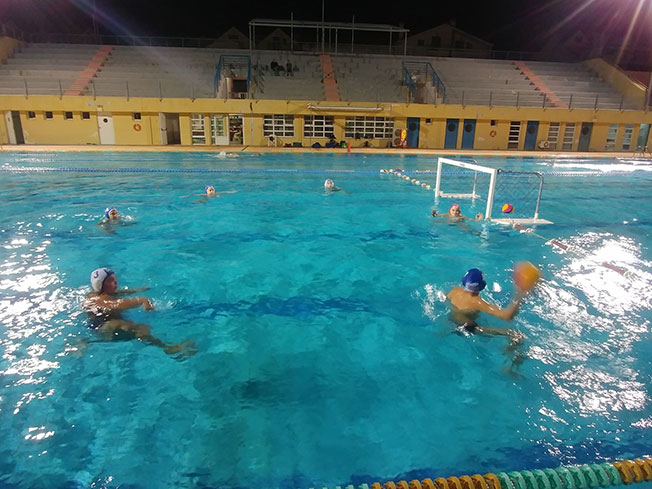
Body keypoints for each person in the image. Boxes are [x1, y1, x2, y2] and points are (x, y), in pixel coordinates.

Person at [83, 268, 196, 358]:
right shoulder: (97, 299)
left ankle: (87, 341)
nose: (116, 282)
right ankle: (167, 348)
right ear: (101, 284)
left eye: (115, 279)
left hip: (107, 325)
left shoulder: (104, 293)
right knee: (136, 328)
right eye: (110, 280)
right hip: (102, 329)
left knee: (141, 327)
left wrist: (138, 290)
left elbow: (120, 293)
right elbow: (115, 305)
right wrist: (141, 300)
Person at [447, 268, 526, 347]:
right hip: (468, 328)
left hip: (451, 320)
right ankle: (510, 352)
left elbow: (446, 299)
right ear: (482, 286)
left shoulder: (455, 291)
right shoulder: (477, 302)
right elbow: (507, 316)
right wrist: (520, 295)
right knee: (514, 334)